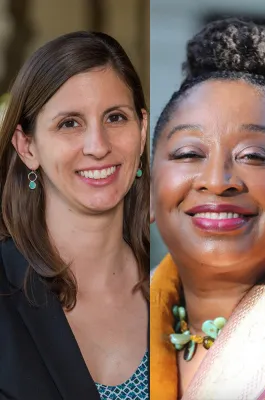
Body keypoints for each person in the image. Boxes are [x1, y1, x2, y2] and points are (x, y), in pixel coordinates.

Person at [149, 19, 265, 400]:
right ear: (148, 192)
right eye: (188, 153)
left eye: (253, 155)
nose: (218, 180)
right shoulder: (98, 334)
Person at [0, 32, 149, 399]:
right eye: (70, 123)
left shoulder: (181, 279)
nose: (98, 146)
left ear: (142, 131)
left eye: (115, 117)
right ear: (27, 146)